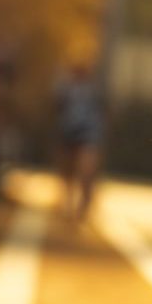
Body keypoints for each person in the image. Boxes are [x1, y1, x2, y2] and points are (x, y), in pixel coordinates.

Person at [53, 60, 104, 222]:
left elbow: (105, 110)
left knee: (86, 169)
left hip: (89, 134)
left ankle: (84, 202)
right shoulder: (65, 89)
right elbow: (55, 107)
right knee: (67, 169)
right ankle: (68, 200)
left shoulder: (95, 90)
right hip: (68, 132)